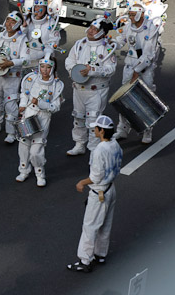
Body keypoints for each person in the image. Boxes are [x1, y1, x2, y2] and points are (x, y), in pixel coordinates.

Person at [67, 115, 122, 273]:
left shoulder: (99, 150)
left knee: (90, 226)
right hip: (111, 188)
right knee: (105, 225)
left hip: (99, 192)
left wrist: (81, 183)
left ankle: (85, 260)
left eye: (95, 128)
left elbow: (95, 177)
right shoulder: (115, 144)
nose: (94, 130)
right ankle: (100, 254)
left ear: (102, 130)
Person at [65, 17, 117, 155]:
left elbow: (111, 69)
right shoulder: (79, 44)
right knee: (78, 117)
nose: (91, 31)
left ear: (102, 33)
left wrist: (93, 70)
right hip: (79, 89)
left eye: (95, 30)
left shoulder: (107, 49)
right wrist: (73, 72)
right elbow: (69, 60)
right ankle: (79, 144)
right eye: (91, 28)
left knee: (93, 121)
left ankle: (94, 150)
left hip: (96, 91)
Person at [113, 3, 161, 144]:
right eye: (130, 14)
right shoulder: (128, 26)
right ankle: (123, 128)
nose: (131, 17)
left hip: (145, 68)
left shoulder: (151, 29)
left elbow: (148, 53)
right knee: (124, 98)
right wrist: (111, 43)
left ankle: (147, 129)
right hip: (129, 65)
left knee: (145, 99)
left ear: (141, 14)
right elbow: (122, 40)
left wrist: (137, 71)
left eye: (133, 15)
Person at [0, 12, 30, 144]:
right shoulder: (0, 37)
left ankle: (11, 131)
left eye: (12, 22)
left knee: (10, 103)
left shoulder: (22, 39)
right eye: (8, 20)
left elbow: (26, 60)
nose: (9, 24)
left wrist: (11, 63)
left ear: (18, 24)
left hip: (12, 77)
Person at [17, 58, 64, 186]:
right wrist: (22, 104)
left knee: (36, 149)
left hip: (43, 117)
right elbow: (24, 93)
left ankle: (39, 173)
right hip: (29, 113)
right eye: (42, 66)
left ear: (53, 68)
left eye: (48, 67)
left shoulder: (57, 85)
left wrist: (41, 103)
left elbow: (56, 107)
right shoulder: (31, 79)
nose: (44, 70)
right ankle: (24, 170)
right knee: (24, 143)